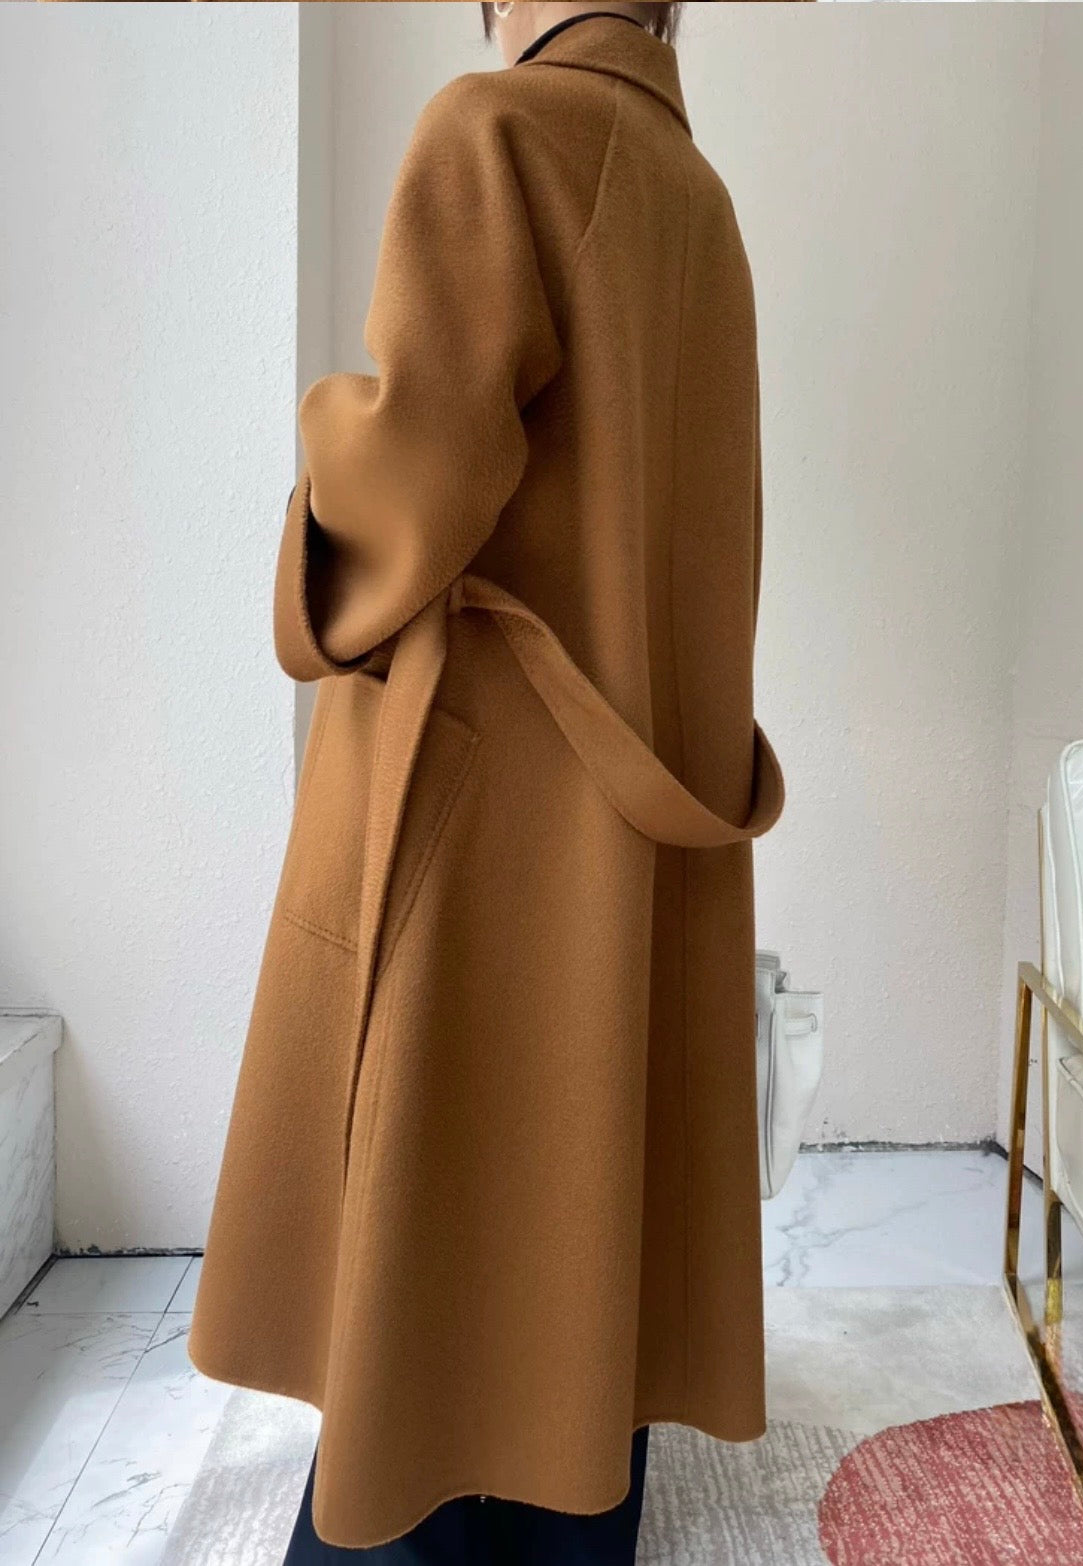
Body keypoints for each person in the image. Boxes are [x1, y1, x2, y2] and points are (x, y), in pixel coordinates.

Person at [186, 2, 784, 1561]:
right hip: (632, 810)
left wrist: (325, 431)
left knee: (436, 1189)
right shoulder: (695, 196)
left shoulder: (497, 130)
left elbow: (414, 476)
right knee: (578, 1195)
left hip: (492, 808)